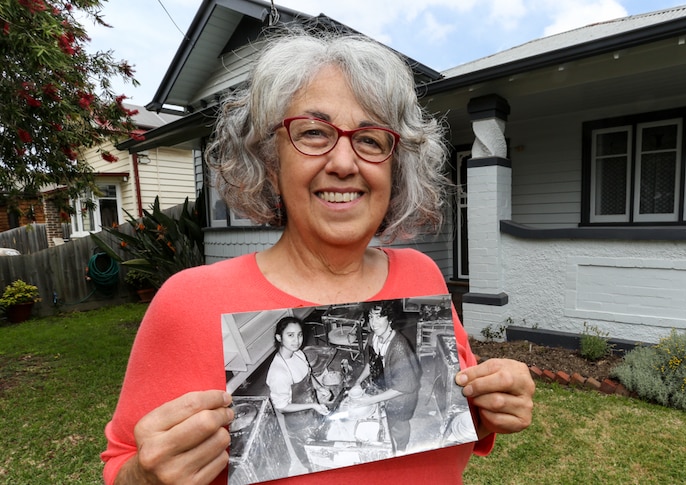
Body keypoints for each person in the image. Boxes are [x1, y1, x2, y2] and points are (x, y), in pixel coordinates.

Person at [101, 29, 534, 485]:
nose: (344, 163)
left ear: (394, 165)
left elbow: (447, 416)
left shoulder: (421, 272)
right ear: (270, 160)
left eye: (370, 139)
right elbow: (124, 464)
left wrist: (490, 407)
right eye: (313, 133)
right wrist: (145, 478)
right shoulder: (189, 302)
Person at [349, 301, 421, 453]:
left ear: (390, 319)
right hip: (384, 386)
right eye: (370, 317)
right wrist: (358, 381)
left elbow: (405, 386)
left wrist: (370, 400)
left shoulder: (398, 348)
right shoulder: (373, 337)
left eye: (379, 317)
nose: (373, 323)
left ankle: (402, 449)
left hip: (401, 396)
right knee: (384, 418)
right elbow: (371, 362)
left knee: (399, 425)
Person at [266, 317, 329, 473]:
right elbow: (281, 407)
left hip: (313, 411)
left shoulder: (299, 354)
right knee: (311, 459)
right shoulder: (278, 372)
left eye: (299, 335)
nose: (297, 340)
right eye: (290, 335)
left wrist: (320, 388)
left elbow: (309, 375)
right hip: (299, 424)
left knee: (324, 451)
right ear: (279, 337)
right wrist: (313, 405)